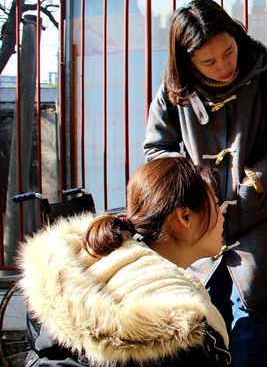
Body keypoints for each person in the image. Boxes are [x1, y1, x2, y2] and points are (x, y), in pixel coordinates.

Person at [143, 0, 267, 367]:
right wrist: (189, 188)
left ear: (237, 36)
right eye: (208, 62)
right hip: (198, 221)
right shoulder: (173, 92)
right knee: (203, 309)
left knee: (248, 310)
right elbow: (156, 150)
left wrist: (256, 179)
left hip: (255, 217)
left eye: (229, 52)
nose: (224, 66)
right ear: (187, 61)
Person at [18, 157, 231, 366]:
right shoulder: (178, 325)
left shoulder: (85, 266)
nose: (223, 215)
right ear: (185, 217)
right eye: (215, 204)